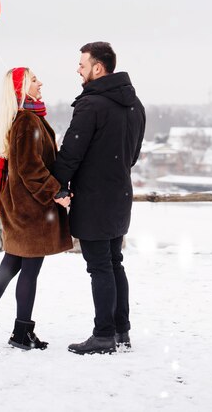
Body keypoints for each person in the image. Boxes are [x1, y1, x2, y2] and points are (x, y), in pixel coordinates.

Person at [0, 67, 72, 351]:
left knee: (12, 265)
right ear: (22, 89)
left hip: (23, 206)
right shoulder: (27, 121)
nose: (41, 83)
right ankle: (20, 332)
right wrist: (56, 192)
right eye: (34, 80)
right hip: (30, 209)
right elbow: (29, 168)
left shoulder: (29, 119)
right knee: (28, 269)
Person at [52, 42, 145, 355]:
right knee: (114, 263)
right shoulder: (135, 105)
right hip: (119, 195)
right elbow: (131, 156)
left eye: (82, 64)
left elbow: (71, 154)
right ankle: (121, 331)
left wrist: (54, 182)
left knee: (100, 267)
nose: (78, 69)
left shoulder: (91, 105)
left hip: (94, 199)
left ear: (98, 68)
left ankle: (103, 335)